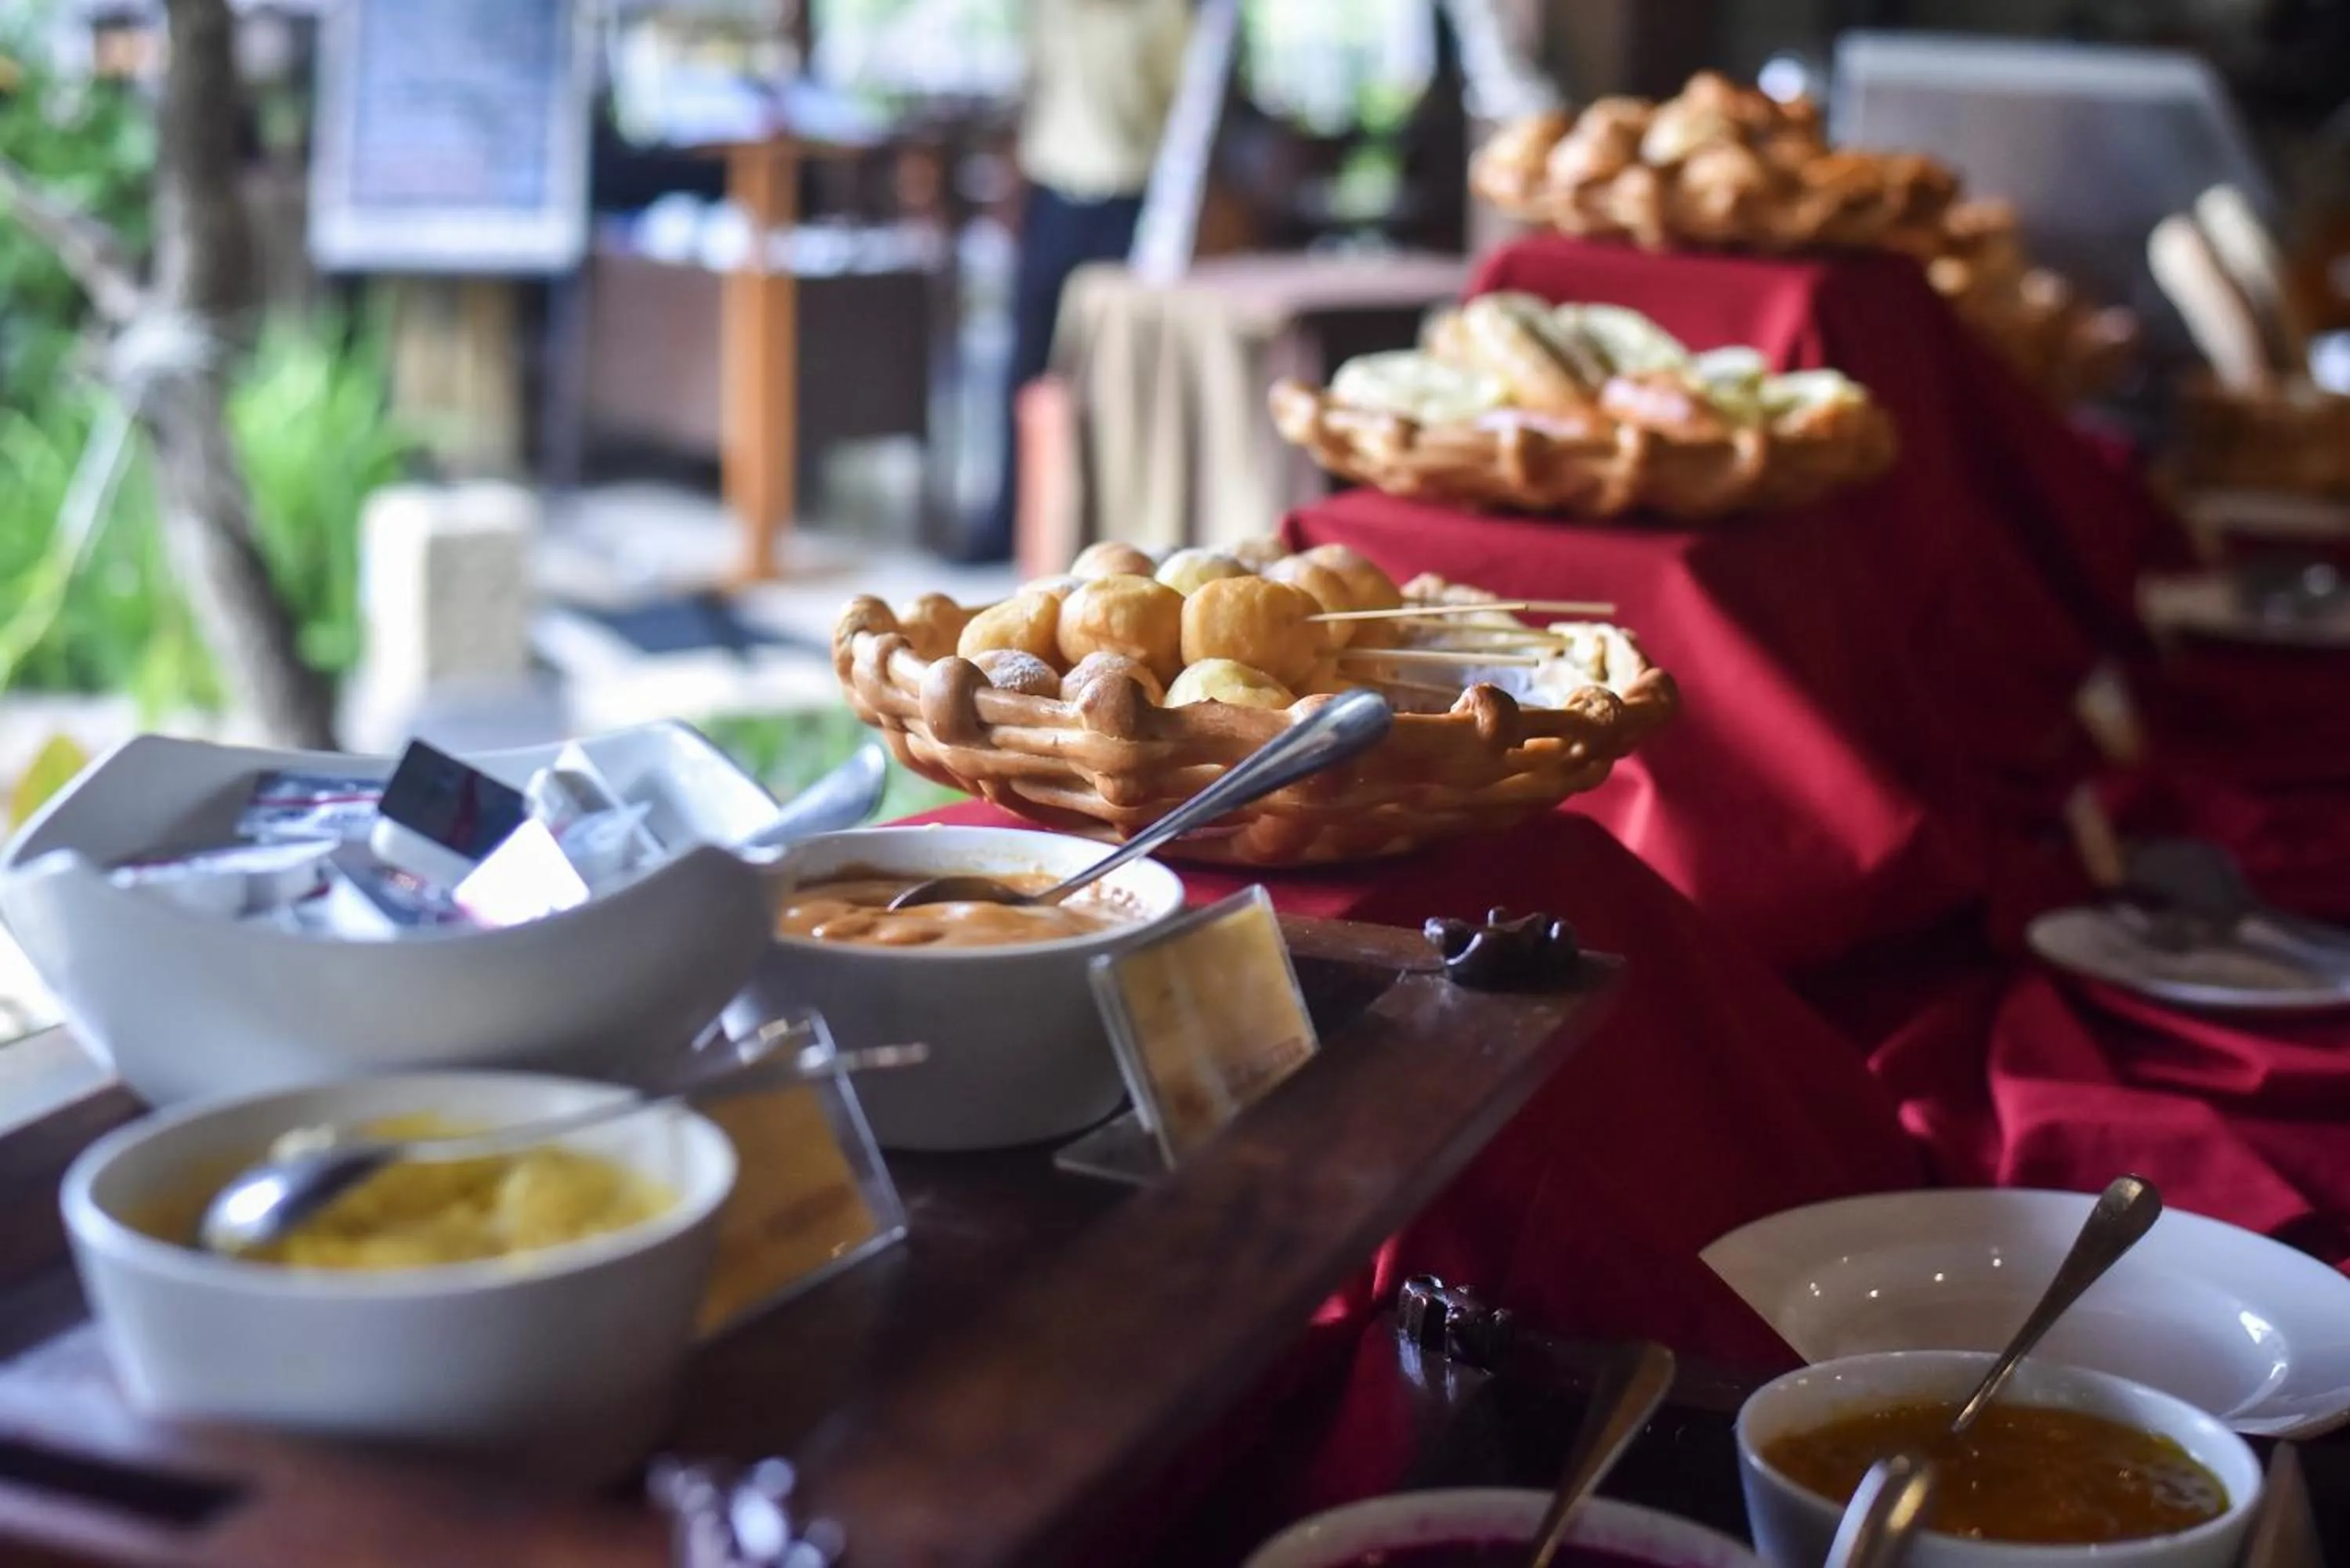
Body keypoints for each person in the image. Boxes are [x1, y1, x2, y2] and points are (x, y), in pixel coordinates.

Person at [973, 0, 1192, 562]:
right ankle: (1008, 522)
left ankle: (1110, 533)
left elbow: (1187, 119)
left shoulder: (1168, 14)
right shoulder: (1051, 10)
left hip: (1131, 209)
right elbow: (1032, 95)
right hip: (1054, 203)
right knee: (1027, 368)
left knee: (1112, 376)